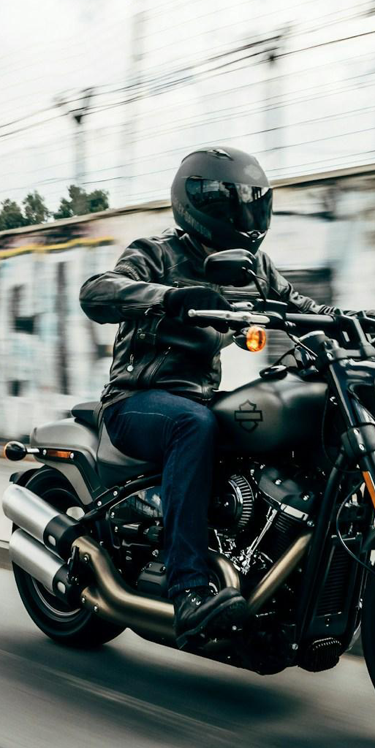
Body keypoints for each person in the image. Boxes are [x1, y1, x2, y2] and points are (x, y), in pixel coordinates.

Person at [80, 146, 334, 648]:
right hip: (138, 399)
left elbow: (301, 306)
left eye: (251, 202)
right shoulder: (157, 253)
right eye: (231, 204)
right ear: (200, 204)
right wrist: (167, 297)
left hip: (198, 397)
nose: (243, 214)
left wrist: (358, 321)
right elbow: (98, 290)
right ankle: (189, 591)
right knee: (193, 425)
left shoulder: (252, 267)